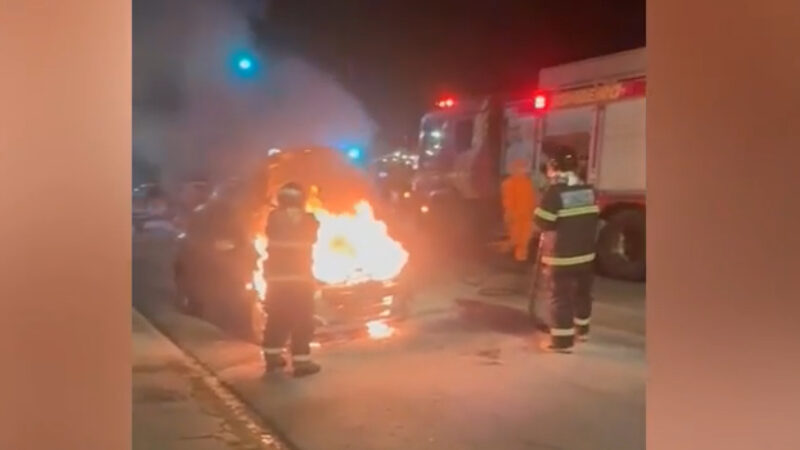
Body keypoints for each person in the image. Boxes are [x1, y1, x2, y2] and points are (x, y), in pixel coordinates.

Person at [533, 148, 600, 353]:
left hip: (562, 258)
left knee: (561, 298)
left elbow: (542, 221)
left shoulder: (554, 193)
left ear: (555, 168)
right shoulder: (589, 190)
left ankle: (562, 342)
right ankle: (583, 331)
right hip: (587, 256)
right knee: (583, 294)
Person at [262, 182, 322, 377]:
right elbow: (313, 236)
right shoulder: (309, 220)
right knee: (302, 320)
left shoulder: (273, 218)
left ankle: (272, 358)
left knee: (277, 318)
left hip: (276, 280)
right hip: (300, 280)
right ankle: (301, 362)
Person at [501, 158, 538, 264]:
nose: (523, 170)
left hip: (526, 216)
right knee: (517, 238)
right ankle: (518, 259)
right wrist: (509, 214)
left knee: (524, 239)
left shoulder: (527, 182)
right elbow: (507, 201)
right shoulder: (509, 183)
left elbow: (532, 198)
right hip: (517, 216)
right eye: (521, 168)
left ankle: (521, 259)